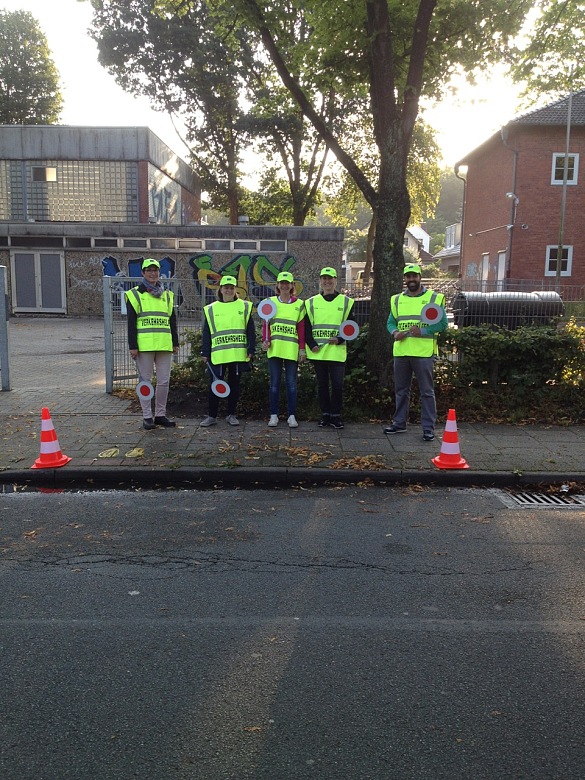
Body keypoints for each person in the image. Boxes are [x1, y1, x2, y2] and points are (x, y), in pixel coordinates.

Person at [385, 263, 448, 441]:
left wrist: (423, 331)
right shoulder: (397, 300)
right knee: (401, 390)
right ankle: (399, 423)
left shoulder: (433, 298)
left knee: (426, 392)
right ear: (404, 279)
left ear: (420, 277)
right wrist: (394, 332)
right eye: (408, 276)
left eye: (414, 276)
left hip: (423, 353)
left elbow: (442, 324)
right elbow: (390, 322)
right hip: (402, 352)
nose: (411, 279)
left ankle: (428, 428)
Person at [125, 258, 179, 430]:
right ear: (143, 273)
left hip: (164, 345)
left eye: (155, 270)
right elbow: (131, 323)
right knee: (145, 382)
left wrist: (175, 343)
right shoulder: (134, 294)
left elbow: (172, 322)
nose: (152, 273)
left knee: (164, 382)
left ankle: (160, 415)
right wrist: (133, 346)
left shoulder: (168, 295)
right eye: (148, 270)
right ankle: (147, 416)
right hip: (144, 346)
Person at [200, 275, 255, 427]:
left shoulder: (244, 306)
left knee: (234, 385)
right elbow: (207, 331)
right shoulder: (211, 308)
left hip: (237, 353)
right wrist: (205, 352)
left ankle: (231, 414)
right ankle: (212, 416)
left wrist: (251, 348)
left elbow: (251, 329)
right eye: (226, 287)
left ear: (235, 289)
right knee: (215, 385)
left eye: (232, 288)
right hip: (218, 354)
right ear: (221, 289)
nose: (229, 290)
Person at [305, 266, 354, 429]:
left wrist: (340, 338)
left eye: (330, 278)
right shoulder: (311, 303)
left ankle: (336, 416)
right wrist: (311, 345)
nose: (327, 281)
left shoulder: (346, 302)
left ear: (335, 281)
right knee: (322, 385)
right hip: (318, 353)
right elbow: (306, 327)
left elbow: (352, 327)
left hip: (337, 352)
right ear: (320, 281)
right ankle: (325, 415)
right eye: (324, 279)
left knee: (338, 386)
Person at [262, 271, 306, 428]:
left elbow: (301, 328)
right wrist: (265, 340)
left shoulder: (299, 304)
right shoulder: (270, 302)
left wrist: (302, 349)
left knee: (291, 384)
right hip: (274, 349)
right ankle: (273, 415)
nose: (285, 285)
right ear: (277, 286)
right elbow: (266, 324)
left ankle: (291, 416)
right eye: (282, 283)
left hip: (291, 350)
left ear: (292, 286)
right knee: (274, 384)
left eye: (288, 283)